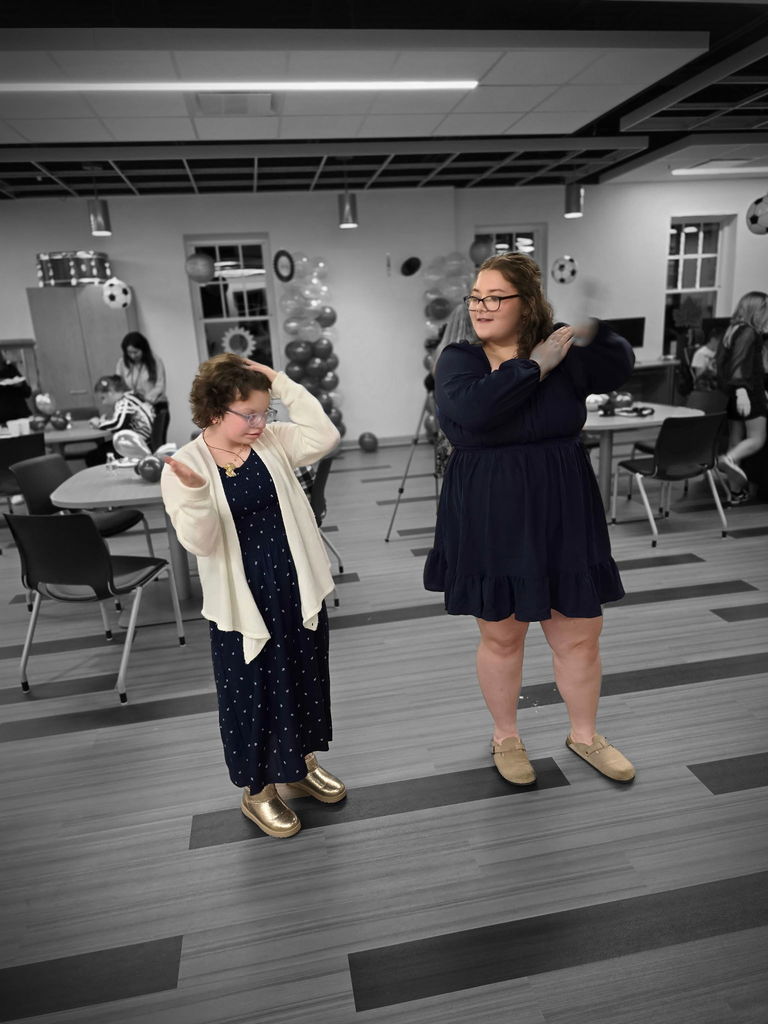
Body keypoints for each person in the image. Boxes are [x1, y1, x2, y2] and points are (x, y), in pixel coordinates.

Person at [424, 252, 636, 786]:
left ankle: (585, 735)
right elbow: (476, 412)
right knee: (502, 636)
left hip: (563, 504)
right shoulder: (459, 360)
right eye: (476, 296)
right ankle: (505, 737)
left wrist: (593, 332)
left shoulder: (564, 347)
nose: (481, 306)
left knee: (580, 634)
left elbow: (617, 368)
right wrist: (537, 364)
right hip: (491, 510)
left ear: (528, 304)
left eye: (495, 297)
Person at [161, 354, 344, 838]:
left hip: (293, 582)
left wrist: (278, 381)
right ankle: (257, 790)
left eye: (266, 412)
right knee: (251, 692)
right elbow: (199, 543)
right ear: (216, 411)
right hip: (242, 599)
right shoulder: (185, 466)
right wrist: (199, 495)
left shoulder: (270, 441)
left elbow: (326, 437)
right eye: (250, 414)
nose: (261, 423)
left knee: (303, 677)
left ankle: (298, 767)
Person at [715, 291, 768, 504]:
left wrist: (735, 392)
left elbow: (722, 366)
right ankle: (729, 459)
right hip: (749, 393)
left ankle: (736, 493)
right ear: (756, 311)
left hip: (734, 395)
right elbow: (740, 365)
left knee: (736, 439)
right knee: (757, 438)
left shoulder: (731, 331)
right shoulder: (749, 333)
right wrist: (743, 392)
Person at [86, 375, 155, 465]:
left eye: (103, 398)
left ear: (110, 392)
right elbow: (123, 420)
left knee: (93, 456)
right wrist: (104, 422)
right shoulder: (131, 396)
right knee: (102, 448)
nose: (103, 403)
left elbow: (118, 424)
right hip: (147, 441)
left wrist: (98, 424)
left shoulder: (124, 402)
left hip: (139, 445)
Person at [116, 331, 168, 417]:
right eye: (129, 352)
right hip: (134, 408)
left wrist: (146, 399)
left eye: (135, 352)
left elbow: (160, 385)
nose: (132, 356)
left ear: (143, 349)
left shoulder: (155, 361)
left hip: (156, 406)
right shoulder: (122, 363)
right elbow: (118, 385)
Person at [0, 351, 32, 425]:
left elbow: (27, 392)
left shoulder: (10, 369)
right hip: (3, 422)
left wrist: (20, 386)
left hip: (22, 416)